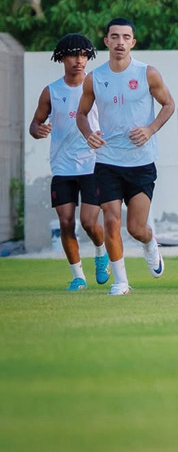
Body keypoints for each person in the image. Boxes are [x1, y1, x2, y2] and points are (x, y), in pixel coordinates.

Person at [76, 18, 175, 295]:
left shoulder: (147, 73)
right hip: (107, 161)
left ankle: (150, 242)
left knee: (136, 228)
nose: (120, 42)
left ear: (133, 42)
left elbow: (168, 105)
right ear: (106, 41)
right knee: (111, 219)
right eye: (115, 37)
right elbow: (81, 114)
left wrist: (150, 129)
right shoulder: (94, 78)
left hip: (141, 162)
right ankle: (121, 281)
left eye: (126, 37)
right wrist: (89, 134)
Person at [29, 33, 108, 290]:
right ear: (62, 58)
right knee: (65, 222)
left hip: (92, 164)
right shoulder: (51, 91)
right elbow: (35, 124)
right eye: (73, 55)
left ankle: (101, 252)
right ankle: (78, 277)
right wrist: (38, 130)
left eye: (84, 55)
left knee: (88, 222)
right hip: (62, 166)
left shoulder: (97, 86)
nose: (79, 60)